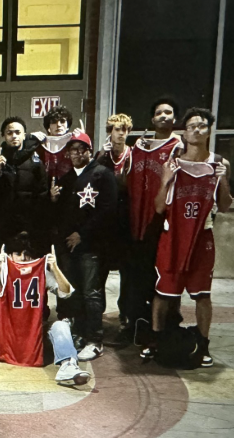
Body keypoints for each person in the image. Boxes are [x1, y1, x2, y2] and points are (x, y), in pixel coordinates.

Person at [149, 108, 231, 367]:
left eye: (202, 126)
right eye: (192, 125)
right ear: (184, 131)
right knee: (163, 293)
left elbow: (226, 205)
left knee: (202, 295)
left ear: (209, 131)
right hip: (173, 237)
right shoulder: (171, 165)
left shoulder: (218, 163)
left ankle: (203, 345)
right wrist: (165, 181)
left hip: (201, 239)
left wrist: (224, 180)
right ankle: (156, 340)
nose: (197, 129)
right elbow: (160, 207)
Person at [0, 232, 90, 386]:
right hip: (7, 330)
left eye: (27, 254)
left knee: (61, 325)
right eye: (17, 254)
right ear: (10, 255)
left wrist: (55, 268)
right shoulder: (4, 271)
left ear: (34, 257)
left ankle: (68, 365)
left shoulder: (43, 272)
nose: (22, 258)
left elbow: (66, 293)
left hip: (36, 330)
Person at [50, 131, 117, 361]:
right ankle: (78, 333)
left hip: (92, 245)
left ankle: (95, 339)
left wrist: (83, 234)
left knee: (92, 293)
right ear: (67, 153)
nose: (78, 153)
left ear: (90, 150)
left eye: (83, 149)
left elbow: (108, 210)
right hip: (69, 247)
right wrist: (52, 199)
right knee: (75, 293)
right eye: (73, 150)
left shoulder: (102, 175)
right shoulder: (66, 179)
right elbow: (59, 215)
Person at [126, 98, 184, 335]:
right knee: (136, 278)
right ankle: (135, 324)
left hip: (163, 225)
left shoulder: (178, 148)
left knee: (164, 279)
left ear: (174, 118)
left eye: (168, 112)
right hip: (136, 225)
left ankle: (167, 327)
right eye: (158, 112)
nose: (163, 116)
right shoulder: (137, 149)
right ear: (151, 119)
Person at [0, 116, 48, 270]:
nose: (14, 136)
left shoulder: (35, 162)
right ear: (3, 135)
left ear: (24, 135)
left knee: (26, 269)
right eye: (9, 133)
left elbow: (42, 194)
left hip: (26, 227)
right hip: (0, 227)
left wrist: (35, 224)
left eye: (17, 132)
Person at [94, 114, 134, 337]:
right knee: (100, 273)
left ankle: (126, 315)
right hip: (106, 224)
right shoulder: (102, 157)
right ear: (110, 131)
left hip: (126, 223)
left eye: (125, 130)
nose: (121, 133)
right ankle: (96, 315)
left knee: (127, 274)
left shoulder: (134, 155)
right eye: (117, 129)